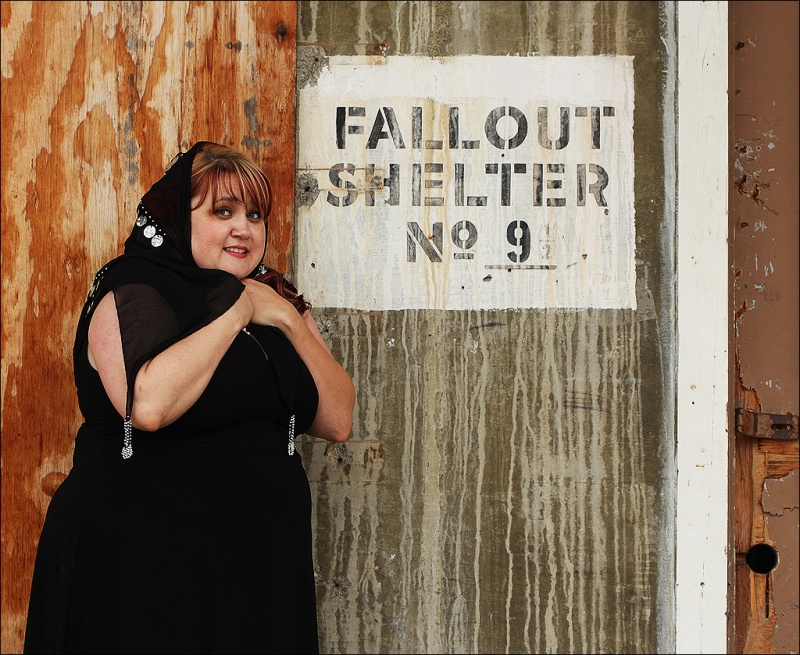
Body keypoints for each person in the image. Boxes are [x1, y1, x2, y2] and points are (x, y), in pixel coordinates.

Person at [23, 141, 356, 654]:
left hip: (255, 571)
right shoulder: (134, 287)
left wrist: (288, 317)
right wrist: (237, 311)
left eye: (254, 214)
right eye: (223, 212)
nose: (244, 228)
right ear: (179, 219)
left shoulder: (275, 296)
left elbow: (337, 419)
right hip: (146, 566)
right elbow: (149, 406)